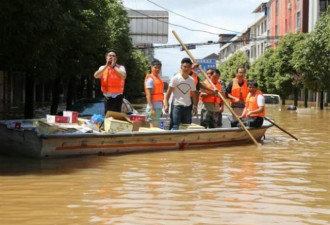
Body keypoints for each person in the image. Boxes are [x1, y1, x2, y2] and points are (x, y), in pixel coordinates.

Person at [164, 58, 198, 130]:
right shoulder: (175, 78)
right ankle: (174, 141)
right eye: (184, 67)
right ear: (181, 67)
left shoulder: (191, 80)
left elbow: (194, 94)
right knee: (175, 126)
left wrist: (195, 106)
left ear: (191, 68)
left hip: (188, 106)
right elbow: (168, 93)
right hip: (177, 106)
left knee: (187, 127)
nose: (186, 69)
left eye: (188, 67)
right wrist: (166, 104)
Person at [144, 59, 164, 127]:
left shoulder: (158, 79)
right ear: (151, 67)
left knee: (156, 128)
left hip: (158, 108)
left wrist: (161, 109)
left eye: (159, 68)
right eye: (155, 67)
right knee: (153, 129)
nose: (157, 69)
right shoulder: (150, 79)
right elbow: (148, 96)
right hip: (153, 108)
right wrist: (152, 109)